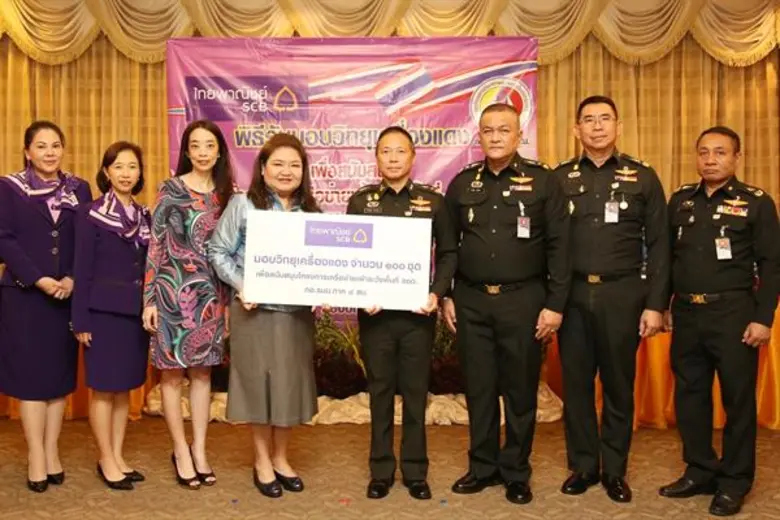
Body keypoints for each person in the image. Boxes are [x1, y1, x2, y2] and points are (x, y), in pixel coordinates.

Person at [442, 103, 571, 505]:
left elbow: (560, 247)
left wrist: (555, 305)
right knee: (479, 389)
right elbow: (447, 247)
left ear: (519, 135)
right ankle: (481, 466)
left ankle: (516, 470)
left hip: (524, 301)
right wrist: (447, 294)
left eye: (504, 130)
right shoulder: (462, 183)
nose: (496, 137)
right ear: (478, 136)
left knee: (519, 390)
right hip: (472, 301)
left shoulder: (543, 181)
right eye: (488, 130)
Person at [552, 95, 669, 503]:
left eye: (605, 119)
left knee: (619, 385)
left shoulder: (643, 177)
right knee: (577, 385)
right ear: (576, 130)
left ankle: (615, 470)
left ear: (618, 127)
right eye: (589, 119)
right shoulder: (559, 178)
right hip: (572, 295)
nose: (597, 126)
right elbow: (548, 243)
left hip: (623, 294)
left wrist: (655, 304)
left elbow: (660, 244)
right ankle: (583, 466)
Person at [659, 126, 780, 516]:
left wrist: (763, 319)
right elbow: (666, 259)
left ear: (737, 158)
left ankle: (734, 481)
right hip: (687, 314)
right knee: (690, 397)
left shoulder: (756, 203)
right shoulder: (680, 200)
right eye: (704, 152)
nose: (710, 159)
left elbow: (772, 266)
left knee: (737, 401)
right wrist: (663, 305)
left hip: (734, 315)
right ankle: (699, 470)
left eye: (720, 152)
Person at [346, 126, 458, 501]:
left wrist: (436, 292)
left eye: (400, 151)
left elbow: (449, 253)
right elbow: (349, 257)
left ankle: (415, 471)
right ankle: (380, 471)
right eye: (385, 151)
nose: (393, 158)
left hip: (417, 316)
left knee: (415, 393)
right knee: (379, 392)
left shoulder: (433, 202)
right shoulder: (360, 202)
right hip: (376, 316)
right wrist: (361, 292)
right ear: (376, 157)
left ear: (412, 156)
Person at [208, 133, 320, 499]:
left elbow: (321, 265)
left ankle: (282, 458)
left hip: (295, 316)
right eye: (279, 164)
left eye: (295, 165)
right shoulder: (243, 204)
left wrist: (323, 287)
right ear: (263, 168)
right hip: (253, 312)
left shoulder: (311, 213)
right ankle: (261, 460)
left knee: (288, 385)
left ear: (303, 171)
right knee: (258, 386)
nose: (287, 171)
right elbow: (218, 251)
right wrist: (244, 285)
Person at [0, 120, 92, 492]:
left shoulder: (79, 188)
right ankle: (35, 456)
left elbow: (86, 240)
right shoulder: (9, 188)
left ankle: (52, 451)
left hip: (65, 297)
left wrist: (72, 277)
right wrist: (37, 278)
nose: (49, 152)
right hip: (25, 296)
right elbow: (4, 239)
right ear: (27, 151)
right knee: (31, 382)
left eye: (55, 145)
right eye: (41, 146)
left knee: (58, 380)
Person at [142, 120, 233, 489]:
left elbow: (231, 252)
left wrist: (228, 305)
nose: (202, 152)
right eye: (195, 145)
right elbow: (156, 245)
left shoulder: (228, 195)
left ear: (219, 151)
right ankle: (180, 450)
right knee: (171, 375)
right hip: (170, 295)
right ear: (187, 151)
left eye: (209, 145)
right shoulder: (171, 189)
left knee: (203, 375)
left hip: (211, 299)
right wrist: (149, 299)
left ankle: (200, 450)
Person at [71, 141, 151, 491]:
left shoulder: (144, 216)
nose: (125, 173)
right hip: (101, 315)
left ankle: (118, 455)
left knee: (123, 391)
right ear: (106, 172)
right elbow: (81, 268)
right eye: (118, 166)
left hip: (134, 315)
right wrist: (80, 320)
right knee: (104, 391)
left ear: (140, 172)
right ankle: (105, 458)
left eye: (132, 166)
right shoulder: (90, 214)